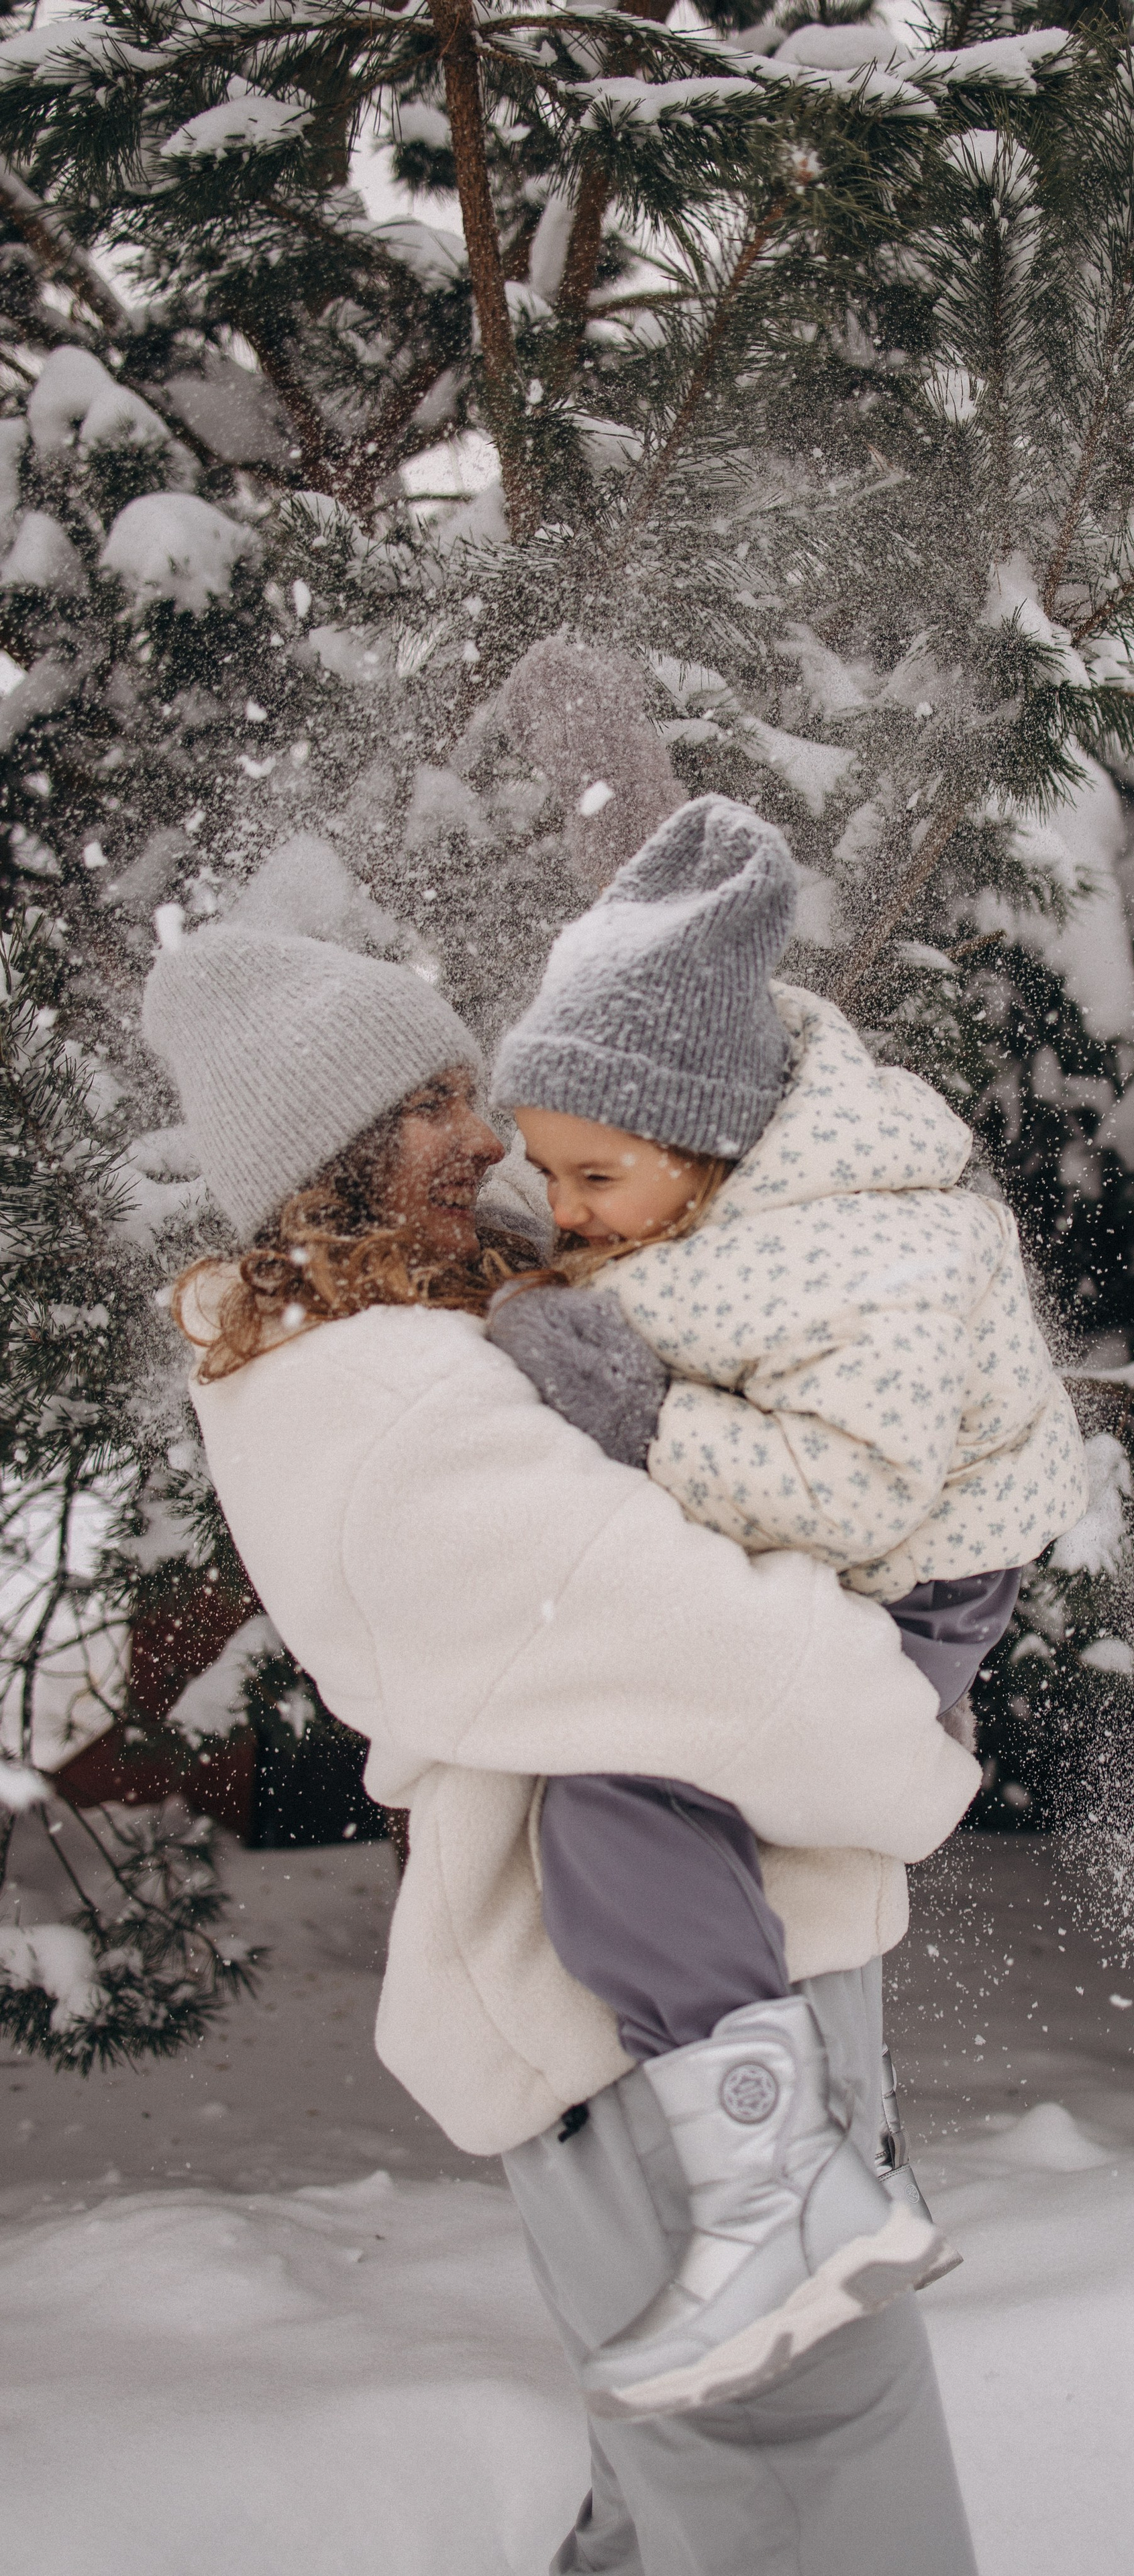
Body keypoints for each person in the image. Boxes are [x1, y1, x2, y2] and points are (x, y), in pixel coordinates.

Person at [143, 919, 984, 2576]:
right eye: (434, 1102)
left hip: (685, 1990)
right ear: (333, 1162)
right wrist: (914, 1739)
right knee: (809, 2475)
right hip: (638, 2016)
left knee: (709, 2484)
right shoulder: (388, 1410)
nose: (486, 1135)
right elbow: (720, 1666)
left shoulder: (442, 1334)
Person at [482, 794, 1088, 2420]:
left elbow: (855, 1497)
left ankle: (786, 2188)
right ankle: (789, 2188)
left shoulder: (873, 1256)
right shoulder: (718, 1198)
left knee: (622, 1794)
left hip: (914, 1592)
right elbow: (646, 1285)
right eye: (542, 1174)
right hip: (844, 1565)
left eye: (592, 1176)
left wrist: (635, 1421)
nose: (566, 1215)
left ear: (709, 1137)